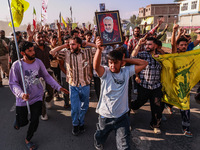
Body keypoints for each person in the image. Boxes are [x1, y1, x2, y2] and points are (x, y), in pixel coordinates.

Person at [9, 41, 68, 150]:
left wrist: (58, 87)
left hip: (37, 97)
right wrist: (21, 94)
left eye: (33, 50)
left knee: (35, 120)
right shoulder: (17, 65)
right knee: (23, 122)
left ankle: (28, 139)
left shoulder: (39, 62)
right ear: (23, 53)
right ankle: (19, 120)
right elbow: (13, 83)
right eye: (29, 51)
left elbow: (46, 76)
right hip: (23, 99)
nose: (33, 52)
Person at [93, 37, 148, 150]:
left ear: (121, 63)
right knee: (101, 134)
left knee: (124, 145)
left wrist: (126, 60)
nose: (113, 65)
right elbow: (96, 67)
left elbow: (144, 63)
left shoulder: (126, 71)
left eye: (116, 63)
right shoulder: (105, 72)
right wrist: (99, 50)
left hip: (122, 116)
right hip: (105, 116)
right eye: (110, 63)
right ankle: (98, 142)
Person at [50, 37, 94, 136]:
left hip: (85, 85)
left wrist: (87, 43)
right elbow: (52, 52)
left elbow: (100, 49)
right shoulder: (66, 53)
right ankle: (75, 125)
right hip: (73, 85)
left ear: (79, 45)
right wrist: (64, 46)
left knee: (84, 107)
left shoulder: (87, 52)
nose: (71, 46)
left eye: (73, 44)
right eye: (70, 44)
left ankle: (81, 122)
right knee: (75, 108)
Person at [130, 36, 164, 134]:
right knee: (140, 101)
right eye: (146, 44)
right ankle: (133, 106)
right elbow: (132, 57)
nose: (147, 46)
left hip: (156, 86)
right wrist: (139, 44)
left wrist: (161, 55)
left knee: (157, 106)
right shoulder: (143, 55)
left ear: (155, 46)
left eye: (150, 44)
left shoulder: (161, 56)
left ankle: (155, 125)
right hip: (144, 85)